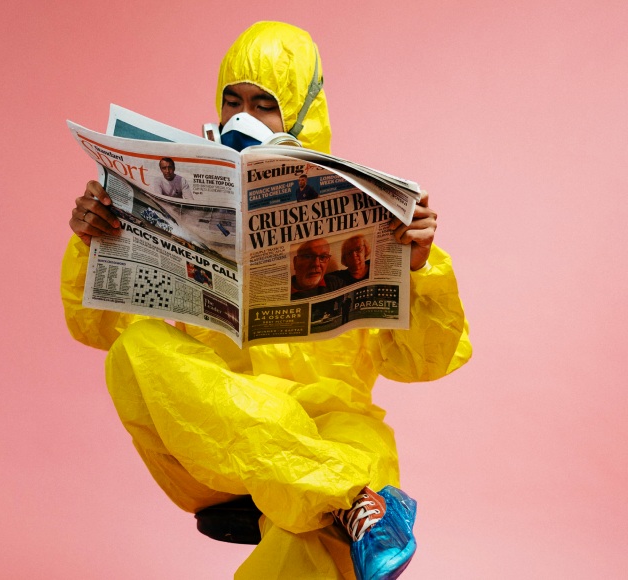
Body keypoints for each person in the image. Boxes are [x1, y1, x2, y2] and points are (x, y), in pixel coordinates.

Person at [62, 21, 471, 580]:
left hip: (333, 428)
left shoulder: (366, 210)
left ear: (304, 114)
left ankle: (345, 504)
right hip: (216, 443)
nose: (241, 118)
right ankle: (351, 499)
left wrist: (421, 267)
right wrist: (95, 242)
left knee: (323, 520)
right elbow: (96, 330)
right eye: (232, 101)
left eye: (264, 105)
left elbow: (423, 361)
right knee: (136, 347)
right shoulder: (186, 191)